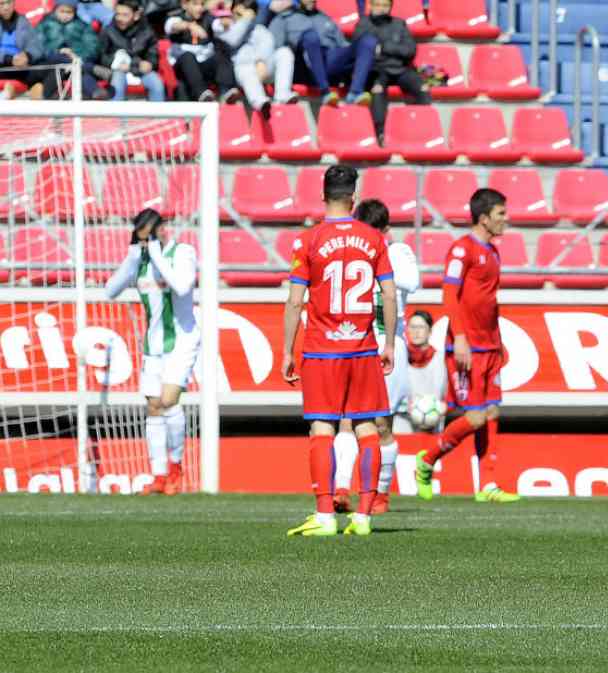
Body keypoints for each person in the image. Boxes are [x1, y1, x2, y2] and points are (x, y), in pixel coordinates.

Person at [283, 165, 396, 538]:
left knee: (322, 427)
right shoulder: (374, 239)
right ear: (354, 196)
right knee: (367, 426)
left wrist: (287, 350)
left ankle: (325, 516)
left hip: (321, 351)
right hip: (363, 349)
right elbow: (389, 292)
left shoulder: (308, 241)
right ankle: (363, 516)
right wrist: (390, 341)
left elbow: (296, 302)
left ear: (322, 195)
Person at [413, 189, 520, 504]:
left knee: (491, 412)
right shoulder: (461, 251)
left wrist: (498, 342)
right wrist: (459, 337)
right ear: (484, 218)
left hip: (489, 347)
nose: (506, 219)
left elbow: (490, 302)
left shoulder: (494, 252)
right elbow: (450, 295)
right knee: (474, 417)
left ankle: (487, 485)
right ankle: (427, 459)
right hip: (466, 346)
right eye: (501, 214)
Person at [331, 198, 420, 516]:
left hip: (388, 343)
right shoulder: (348, 251)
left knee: (381, 424)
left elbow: (413, 281)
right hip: (353, 342)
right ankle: (341, 488)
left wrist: (378, 262)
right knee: (345, 418)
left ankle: (381, 493)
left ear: (385, 231)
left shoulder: (398, 252)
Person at [105, 209, 199, 496]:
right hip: (153, 345)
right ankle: (158, 475)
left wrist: (156, 253)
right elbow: (110, 290)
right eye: (143, 233)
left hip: (182, 340)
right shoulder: (142, 262)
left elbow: (182, 286)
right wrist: (133, 257)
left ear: (163, 228)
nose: (149, 238)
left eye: (152, 231)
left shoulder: (182, 252)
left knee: (169, 400)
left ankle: (176, 465)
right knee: (153, 407)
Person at [268, 0, 376, 108]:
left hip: (329, 61)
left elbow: (342, 45)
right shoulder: (285, 18)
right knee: (311, 37)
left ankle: (355, 93)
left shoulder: (323, 17)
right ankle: (325, 92)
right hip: (304, 67)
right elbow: (274, 50)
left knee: (367, 41)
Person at [353, 0, 431, 141]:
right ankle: (380, 133)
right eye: (378, 5)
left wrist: (384, 47)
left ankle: (419, 129)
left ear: (390, 7)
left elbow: (410, 50)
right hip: (377, 70)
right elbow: (359, 50)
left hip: (400, 69)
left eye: (385, 5)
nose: (381, 9)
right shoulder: (363, 24)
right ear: (370, 5)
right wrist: (395, 49)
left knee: (423, 88)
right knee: (377, 91)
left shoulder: (399, 24)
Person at [217, 0, 296, 118]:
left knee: (284, 52)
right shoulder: (225, 27)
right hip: (242, 71)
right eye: (239, 12)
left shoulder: (259, 28)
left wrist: (260, 60)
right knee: (246, 69)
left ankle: (282, 95)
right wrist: (244, 21)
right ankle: (261, 103)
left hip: (263, 69)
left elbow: (268, 43)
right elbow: (232, 40)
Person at [165, 0, 240, 102]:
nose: (199, 8)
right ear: (184, 4)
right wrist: (190, 26)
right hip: (183, 68)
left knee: (220, 53)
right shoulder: (175, 17)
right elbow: (173, 26)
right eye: (195, 4)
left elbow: (218, 25)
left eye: (202, 4)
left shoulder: (207, 17)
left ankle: (226, 90)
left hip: (203, 65)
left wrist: (225, 23)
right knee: (187, 56)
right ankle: (202, 93)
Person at [95, 0, 165, 102]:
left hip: (140, 69)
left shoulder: (147, 32)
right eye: (117, 14)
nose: (120, 18)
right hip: (116, 69)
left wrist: (150, 63)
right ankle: (115, 117)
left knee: (157, 84)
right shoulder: (108, 31)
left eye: (125, 15)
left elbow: (153, 53)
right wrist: (115, 63)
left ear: (136, 15)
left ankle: (158, 117)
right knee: (117, 83)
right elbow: (101, 56)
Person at [35, 0, 106, 100]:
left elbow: (93, 47)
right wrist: (58, 52)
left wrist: (75, 55)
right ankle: (91, 74)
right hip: (50, 64)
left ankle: (96, 92)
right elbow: (37, 47)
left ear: (75, 12)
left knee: (74, 68)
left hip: (74, 63)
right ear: (55, 10)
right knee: (60, 59)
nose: (65, 15)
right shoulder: (45, 24)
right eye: (62, 11)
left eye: (69, 12)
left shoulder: (82, 26)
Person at [404, 309, 448, 427]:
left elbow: (446, 393)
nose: (416, 331)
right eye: (412, 327)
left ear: (430, 331)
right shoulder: (400, 358)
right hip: (404, 419)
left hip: (434, 418)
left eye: (421, 327)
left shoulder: (440, 359)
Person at [0, 0, 45, 100]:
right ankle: (11, 93)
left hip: (20, 66)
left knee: (47, 67)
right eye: (1, 3)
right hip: (3, 65)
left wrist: (27, 56)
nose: (6, 7)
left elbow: (36, 46)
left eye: (8, 3)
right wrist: (9, 59)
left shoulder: (23, 21)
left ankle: (31, 94)